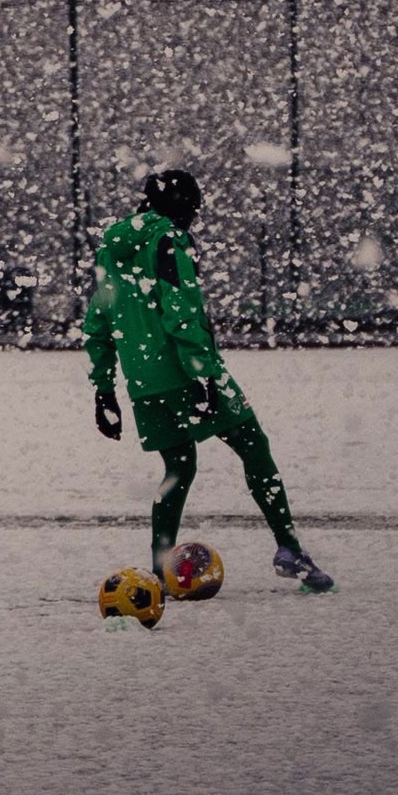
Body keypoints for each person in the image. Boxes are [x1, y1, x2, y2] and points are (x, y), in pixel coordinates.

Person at [82, 169, 333, 591]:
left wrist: (104, 390)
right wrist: (202, 375)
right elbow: (180, 310)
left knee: (177, 468)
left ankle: (161, 568)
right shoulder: (168, 241)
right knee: (254, 447)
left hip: (144, 381)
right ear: (183, 207)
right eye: (194, 210)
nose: (195, 219)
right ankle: (289, 547)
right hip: (186, 369)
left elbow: (98, 322)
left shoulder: (110, 248)